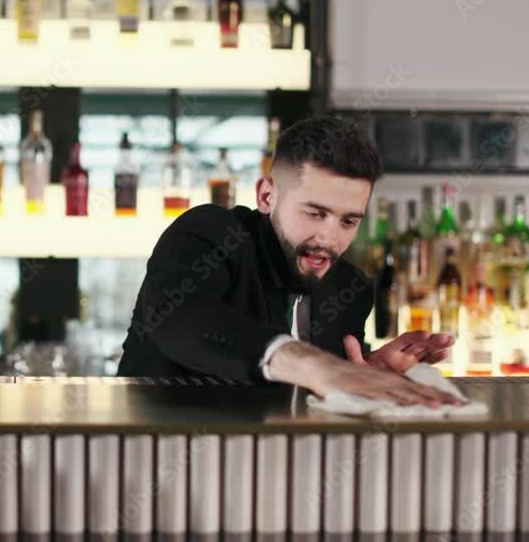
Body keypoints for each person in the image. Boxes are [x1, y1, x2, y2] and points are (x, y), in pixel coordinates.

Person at [118, 116, 462, 408]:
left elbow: (316, 399)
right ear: (267, 196)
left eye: (348, 222)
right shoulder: (212, 234)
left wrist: (365, 373)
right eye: (315, 213)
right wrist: (309, 365)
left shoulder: (350, 290)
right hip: (152, 459)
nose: (329, 239)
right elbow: (176, 319)